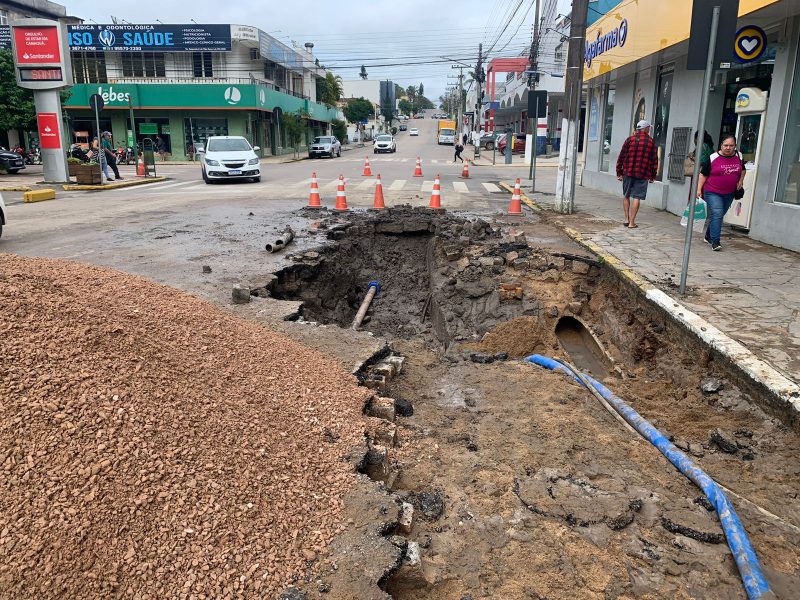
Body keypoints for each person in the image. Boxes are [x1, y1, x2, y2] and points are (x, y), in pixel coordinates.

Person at [696, 135, 745, 251]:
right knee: (717, 213)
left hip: (729, 192)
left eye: (731, 145)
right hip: (712, 191)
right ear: (721, 145)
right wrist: (699, 189)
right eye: (726, 145)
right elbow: (703, 174)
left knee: (718, 215)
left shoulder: (739, 156)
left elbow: (743, 169)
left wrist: (741, 181)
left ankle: (708, 236)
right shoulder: (713, 157)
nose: (728, 148)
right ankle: (715, 241)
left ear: (735, 146)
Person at [616, 119, 658, 229]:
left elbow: (621, 157)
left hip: (628, 172)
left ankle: (626, 219)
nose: (649, 129)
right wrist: (653, 176)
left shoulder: (629, 140)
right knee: (637, 197)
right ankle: (632, 223)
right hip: (643, 173)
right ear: (645, 129)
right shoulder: (651, 142)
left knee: (626, 195)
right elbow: (654, 160)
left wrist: (619, 172)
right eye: (648, 128)